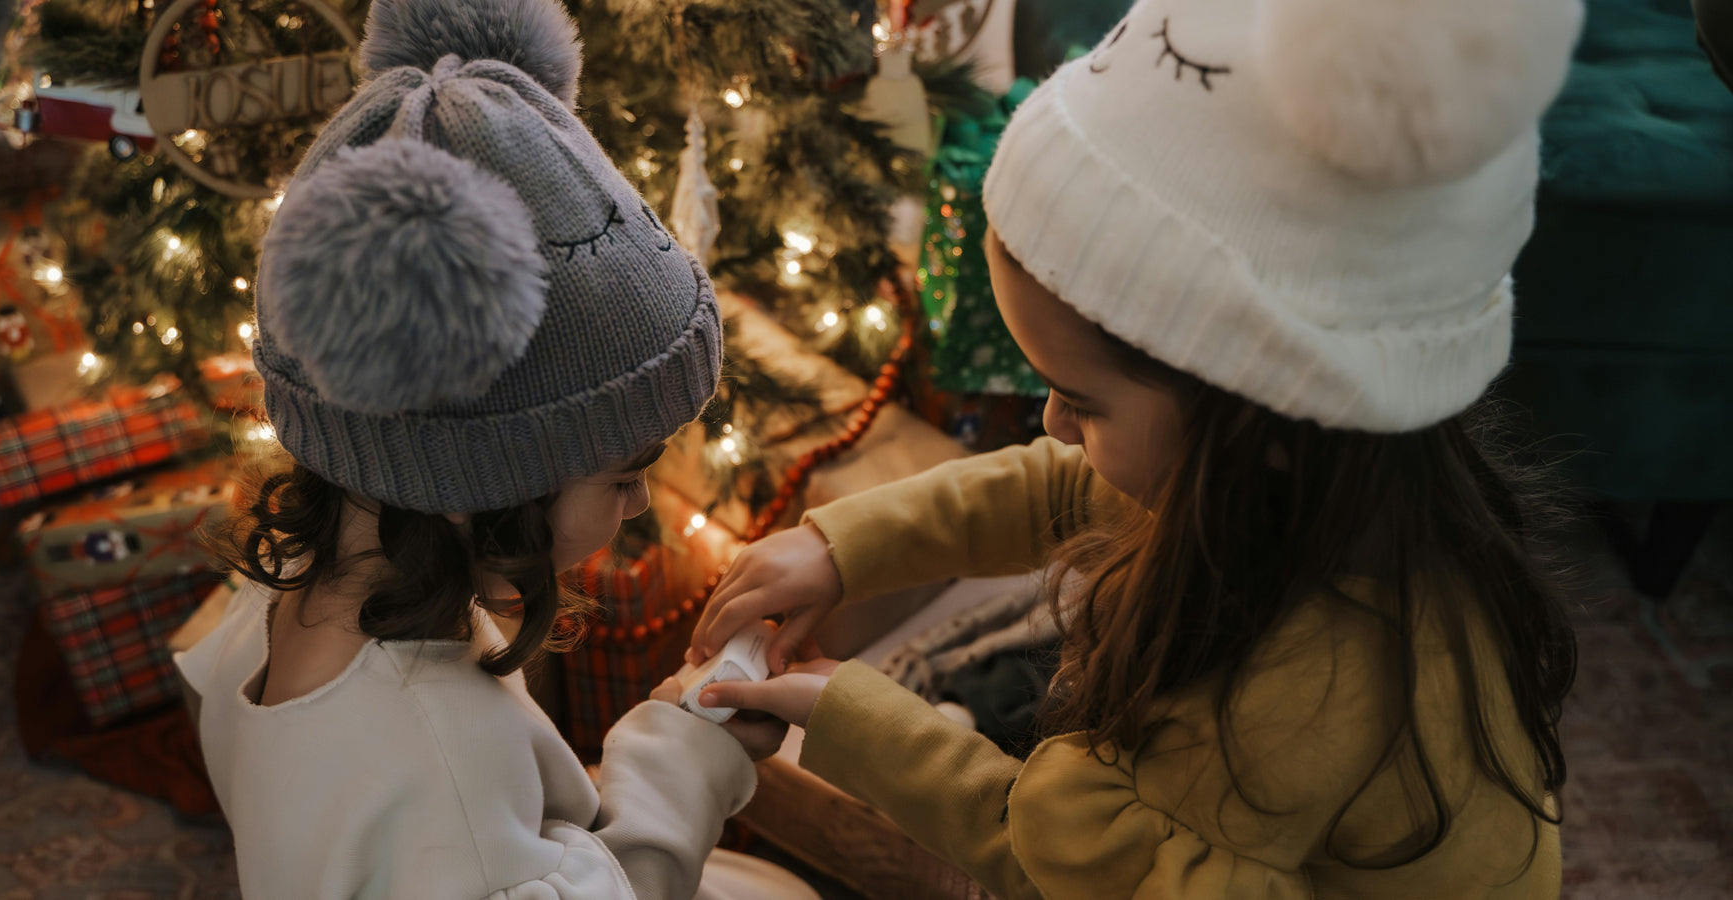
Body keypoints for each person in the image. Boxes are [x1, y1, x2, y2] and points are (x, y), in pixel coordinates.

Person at [689, 0, 1585, 896]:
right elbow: (1065, 487)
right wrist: (839, 548)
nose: (1050, 425)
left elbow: (1094, 874)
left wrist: (851, 719)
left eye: (1081, 400)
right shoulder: (1308, 482)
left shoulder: (1302, 693)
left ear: (1257, 420)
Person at [178, 1, 814, 897]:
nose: (638, 505)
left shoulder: (294, 579)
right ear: (474, 483)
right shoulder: (436, 753)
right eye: (626, 474)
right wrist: (686, 759)